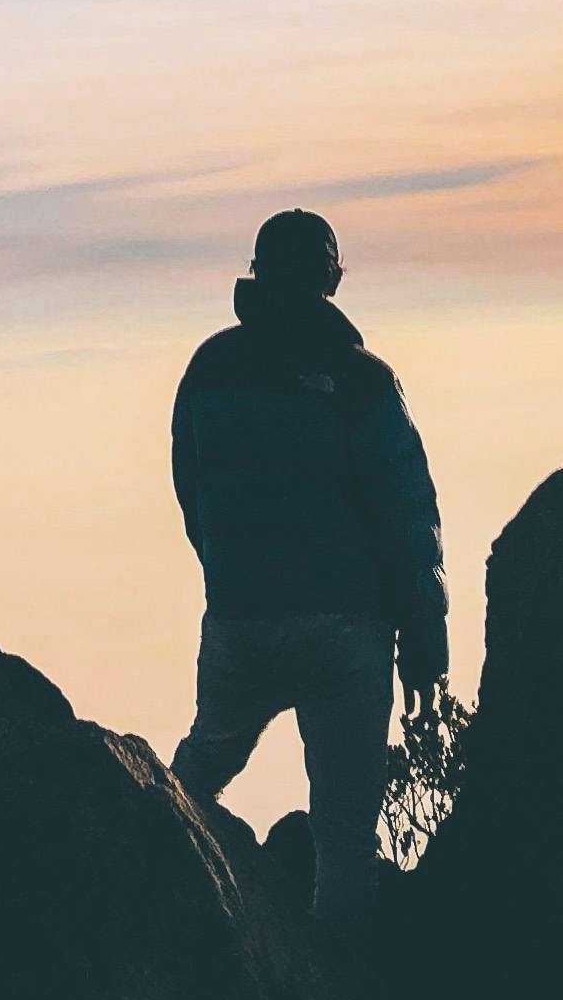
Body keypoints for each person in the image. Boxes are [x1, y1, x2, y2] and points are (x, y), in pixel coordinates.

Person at [167, 209, 447, 925]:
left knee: (196, 774)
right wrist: (423, 650)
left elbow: (192, 491)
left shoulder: (209, 368)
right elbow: (407, 521)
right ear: (334, 278)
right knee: (344, 836)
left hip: (242, 620)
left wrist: (231, 572)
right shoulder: (363, 382)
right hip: (346, 632)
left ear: (257, 273)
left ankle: (155, 888)